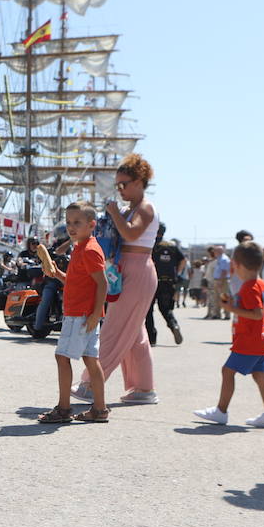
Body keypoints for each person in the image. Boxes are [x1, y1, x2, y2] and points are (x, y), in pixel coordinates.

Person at [75, 153, 159, 406]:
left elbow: (131, 233)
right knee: (134, 335)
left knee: (113, 329)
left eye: (124, 184)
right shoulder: (131, 208)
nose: (120, 189)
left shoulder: (145, 207)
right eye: (118, 185)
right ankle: (144, 388)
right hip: (129, 269)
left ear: (139, 181)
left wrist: (114, 212)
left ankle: (90, 384)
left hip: (138, 268)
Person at [192, 241, 264, 428]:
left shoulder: (250, 287)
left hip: (250, 340)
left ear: (237, 265)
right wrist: (234, 304)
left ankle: (221, 411)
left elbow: (257, 314)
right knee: (260, 376)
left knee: (227, 371)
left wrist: (231, 308)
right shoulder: (261, 284)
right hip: (261, 340)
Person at [36, 202, 109, 424]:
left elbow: (103, 284)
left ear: (91, 224)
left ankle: (64, 408)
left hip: (80, 314)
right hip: (84, 314)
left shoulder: (88, 250)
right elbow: (77, 282)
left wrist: (97, 313)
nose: (71, 227)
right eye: (68, 222)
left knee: (62, 357)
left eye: (77, 222)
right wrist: (57, 273)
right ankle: (99, 409)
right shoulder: (81, 247)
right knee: (90, 359)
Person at [146, 222, 185, 346]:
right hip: (168, 281)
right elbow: (183, 260)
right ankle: (174, 325)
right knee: (165, 308)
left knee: (148, 310)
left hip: (152, 281)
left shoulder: (150, 244)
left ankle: (152, 338)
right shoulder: (172, 246)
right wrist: (177, 273)